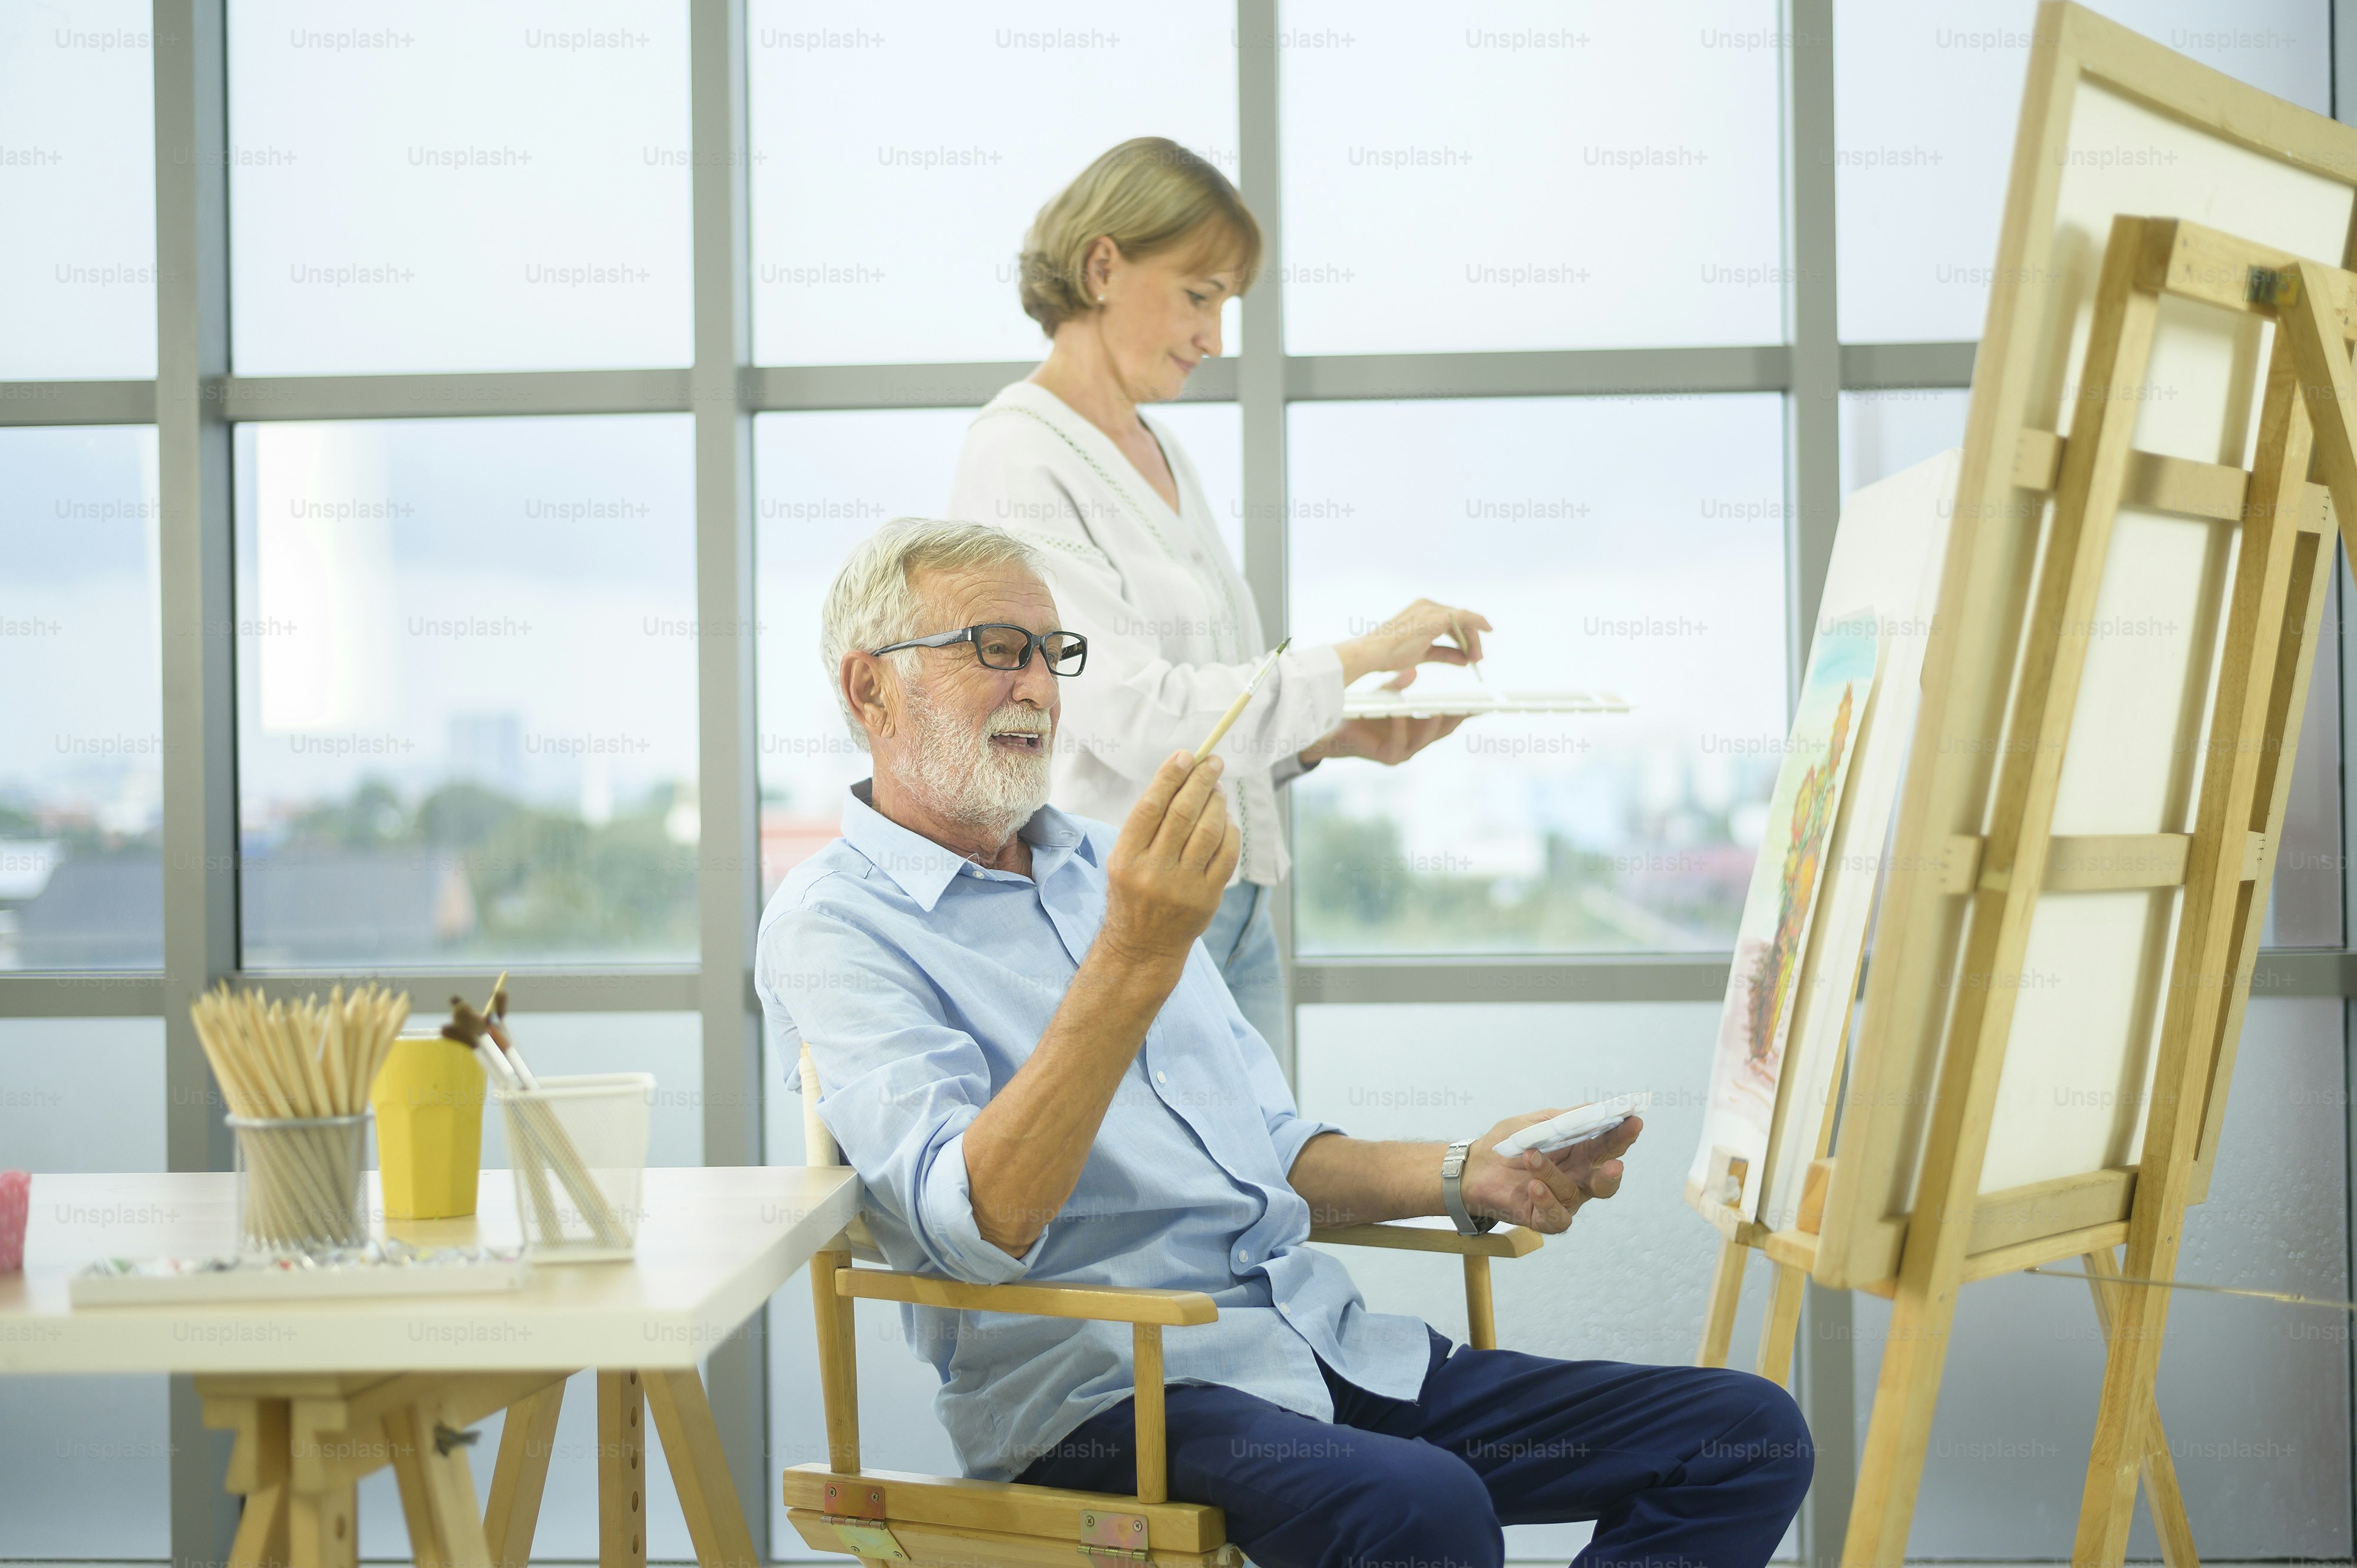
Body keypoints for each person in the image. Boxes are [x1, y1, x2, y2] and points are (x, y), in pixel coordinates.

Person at [754, 519, 1811, 1568]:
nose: (1037, 684)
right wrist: (1134, 955)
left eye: (1052, 650)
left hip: (1317, 1339)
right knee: (1425, 1508)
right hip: (1114, 1395)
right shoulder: (835, 924)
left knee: (1748, 1435)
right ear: (870, 688)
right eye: (996, 648)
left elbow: (1265, 1149)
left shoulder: (1102, 870)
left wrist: (1468, 1172)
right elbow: (980, 1221)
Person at [949, 136, 1488, 1053]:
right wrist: (1360, 655)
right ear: (1102, 267)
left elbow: (1202, 714)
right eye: (1200, 297)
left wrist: (1329, 734)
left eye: (1226, 305)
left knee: (1272, 1152)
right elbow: (1133, 716)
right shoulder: (1020, 456)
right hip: (1125, 919)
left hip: (1234, 910)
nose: (1216, 339)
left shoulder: (1160, 451)